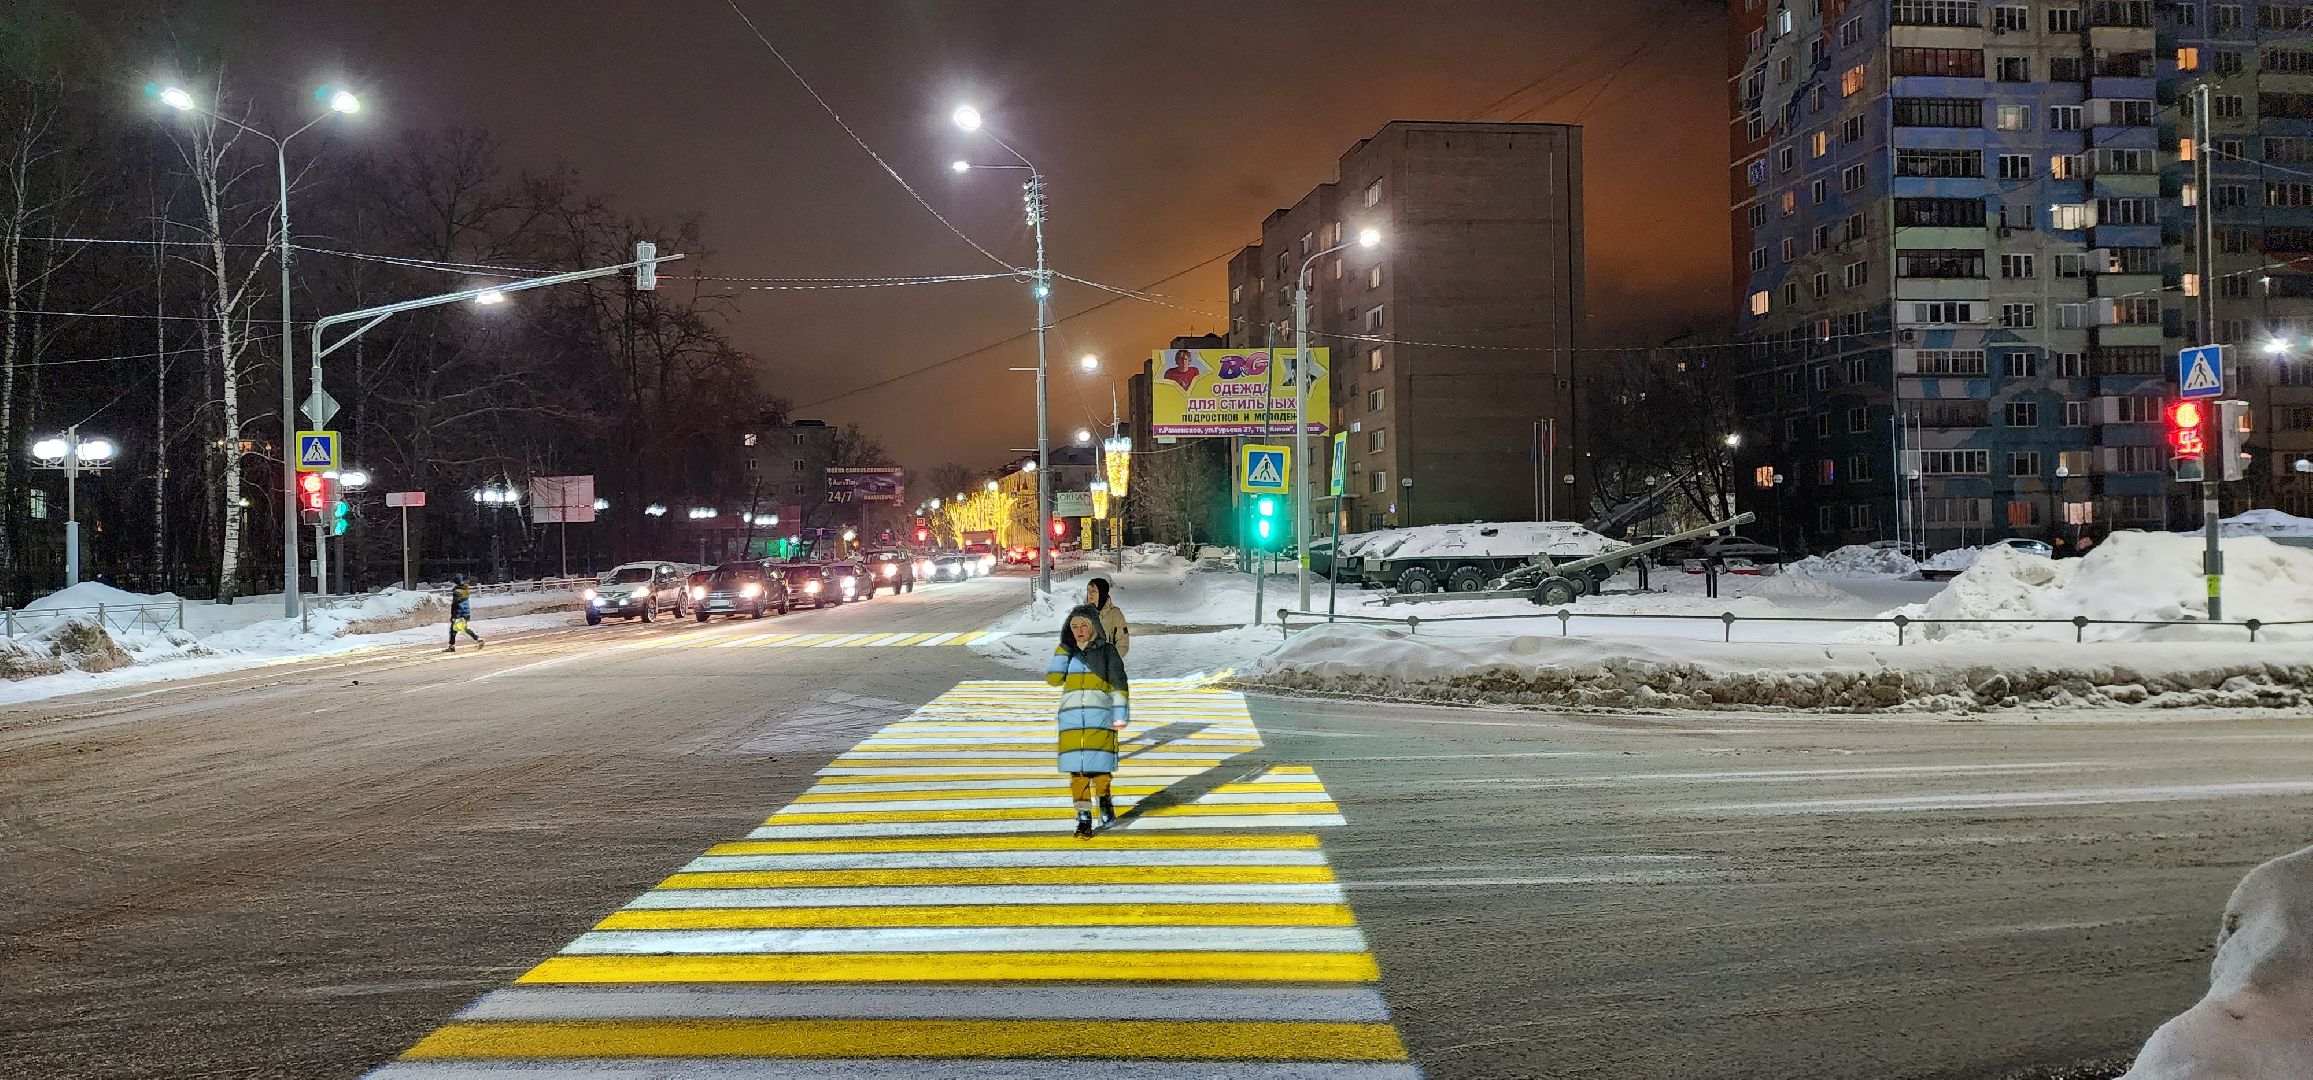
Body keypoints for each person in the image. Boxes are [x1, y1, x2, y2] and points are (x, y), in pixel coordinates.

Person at [1047, 604, 1128, 839]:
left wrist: (1120, 713)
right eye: (1074, 627)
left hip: (1099, 719)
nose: (1079, 631)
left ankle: (1104, 800)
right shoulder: (1068, 652)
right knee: (1078, 774)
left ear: (1093, 626)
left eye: (1083, 625)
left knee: (1101, 772)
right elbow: (1053, 679)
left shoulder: (1106, 652)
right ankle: (1083, 819)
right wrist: (1063, 649)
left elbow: (1119, 683)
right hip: (1071, 722)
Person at [1084, 576, 1130, 658]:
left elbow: (1123, 643)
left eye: (1094, 591)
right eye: (1089, 591)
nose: (1090, 594)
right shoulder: (1081, 613)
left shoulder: (1115, 614)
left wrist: (1110, 660)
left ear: (1102, 593)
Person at [445, 574, 484, 652]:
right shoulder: (465, 589)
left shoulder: (457, 591)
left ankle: (478, 639)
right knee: (460, 629)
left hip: (459, 613)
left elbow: (456, 605)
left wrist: (454, 616)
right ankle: (478, 639)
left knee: (455, 630)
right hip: (466, 613)